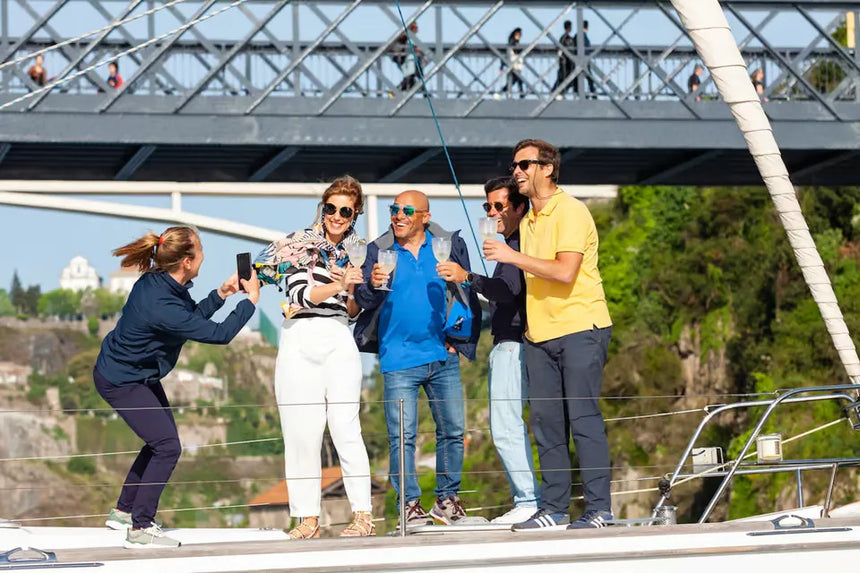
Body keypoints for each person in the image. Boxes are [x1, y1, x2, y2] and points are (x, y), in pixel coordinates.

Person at [95, 226, 259, 548]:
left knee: (161, 442)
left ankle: (124, 512)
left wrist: (222, 294)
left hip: (134, 374)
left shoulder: (161, 284)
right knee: (167, 446)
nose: (204, 255)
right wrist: (250, 301)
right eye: (200, 250)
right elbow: (218, 334)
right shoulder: (161, 302)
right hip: (121, 380)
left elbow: (187, 319)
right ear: (186, 260)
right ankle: (141, 528)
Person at [484, 139, 613, 531]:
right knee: (546, 423)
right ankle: (555, 510)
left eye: (525, 164)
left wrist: (511, 256)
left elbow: (564, 272)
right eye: (515, 165)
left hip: (580, 327)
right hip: (538, 336)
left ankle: (600, 510)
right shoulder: (528, 221)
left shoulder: (571, 211)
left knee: (583, 417)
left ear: (548, 168)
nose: (517, 172)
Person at [353, 190, 481, 529]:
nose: (398, 215)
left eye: (406, 210)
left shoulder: (447, 245)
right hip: (398, 358)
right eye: (394, 209)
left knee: (453, 431)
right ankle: (409, 506)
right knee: (402, 437)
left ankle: (447, 500)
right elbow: (362, 299)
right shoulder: (378, 251)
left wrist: (459, 340)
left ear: (425, 216)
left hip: (442, 355)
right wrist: (373, 284)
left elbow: (467, 293)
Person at [264, 176, 374, 539]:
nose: (337, 216)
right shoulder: (298, 244)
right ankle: (306, 518)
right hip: (300, 335)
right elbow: (298, 295)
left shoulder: (360, 250)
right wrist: (339, 284)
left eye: (345, 210)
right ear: (322, 209)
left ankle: (363, 515)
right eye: (331, 208)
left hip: (339, 336)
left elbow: (353, 308)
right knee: (301, 431)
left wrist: (359, 288)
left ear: (355, 213)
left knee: (346, 426)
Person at [437, 176, 540, 524]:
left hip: (513, 345)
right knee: (516, 424)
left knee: (506, 425)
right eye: (487, 206)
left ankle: (529, 500)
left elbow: (506, 291)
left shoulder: (517, 244)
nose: (493, 212)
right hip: (513, 344)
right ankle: (531, 499)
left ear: (519, 206)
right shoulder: (513, 244)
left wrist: (467, 277)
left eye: (499, 205)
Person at [392, 22, 423, 92]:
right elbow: (412, 47)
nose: (417, 29)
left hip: (410, 61)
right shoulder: (410, 38)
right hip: (408, 61)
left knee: (413, 78)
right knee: (411, 76)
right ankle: (396, 91)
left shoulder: (409, 37)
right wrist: (420, 51)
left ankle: (397, 91)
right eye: (415, 28)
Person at [572, 21, 596, 98]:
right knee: (589, 78)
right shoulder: (582, 36)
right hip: (583, 60)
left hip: (580, 60)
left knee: (578, 78)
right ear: (587, 27)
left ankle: (581, 93)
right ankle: (591, 93)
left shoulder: (577, 36)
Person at [501, 28, 525, 98]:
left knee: (514, 81)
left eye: (519, 35)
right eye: (517, 34)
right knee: (516, 80)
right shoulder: (513, 43)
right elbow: (512, 52)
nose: (519, 36)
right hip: (514, 64)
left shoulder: (514, 43)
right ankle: (521, 94)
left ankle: (504, 92)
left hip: (515, 64)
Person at [552, 21, 575, 96]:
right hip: (566, 62)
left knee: (563, 77)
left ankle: (557, 92)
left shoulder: (564, 37)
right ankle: (557, 92)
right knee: (564, 77)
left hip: (566, 61)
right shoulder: (566, 38)